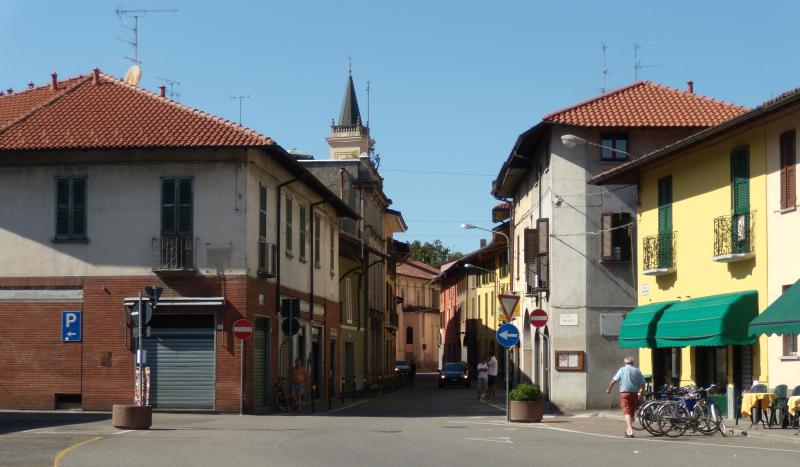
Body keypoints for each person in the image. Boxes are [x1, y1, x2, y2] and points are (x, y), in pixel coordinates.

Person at [607, 356, 646, 438]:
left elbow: (614, 380)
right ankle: (628, 431)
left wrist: (609, 388)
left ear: (625, 363)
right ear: (633, 363)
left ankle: (630, 429)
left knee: (627, 411)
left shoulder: (622, 370)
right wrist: (642, 395)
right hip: (634, 393)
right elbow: (643, 384)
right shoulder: (637, 371)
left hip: (624, 393)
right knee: (631, 412)